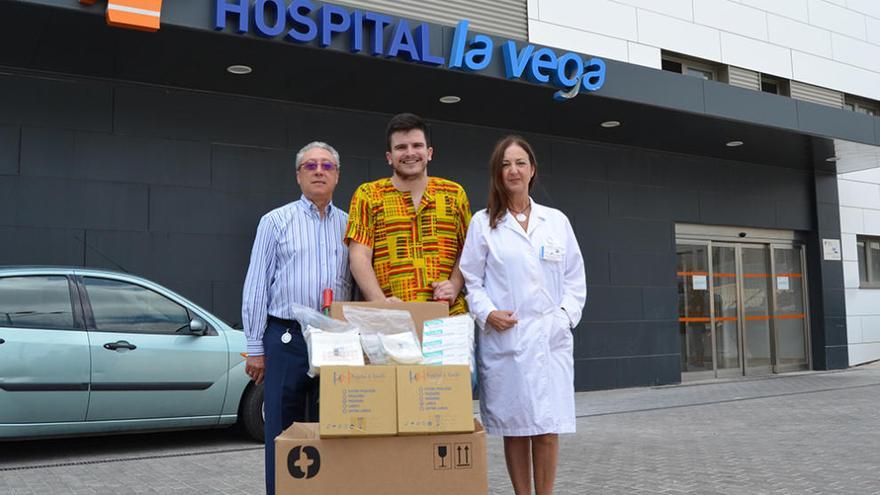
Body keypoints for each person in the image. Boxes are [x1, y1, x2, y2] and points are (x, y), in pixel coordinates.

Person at [459, 135, 586, 495]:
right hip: (508, 337)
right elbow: (472, 279)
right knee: (516, 429)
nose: (513, 170)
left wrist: (564, 317)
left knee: (546, 428)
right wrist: (488, 313)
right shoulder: (483, 224)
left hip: (550, 338)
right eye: (505, 164)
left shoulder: (556, 221)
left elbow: (575, 279)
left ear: (532, 170)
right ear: (497, 174)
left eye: (520, 163)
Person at [241, 141, 353, 495]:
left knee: (334, 427)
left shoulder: (350, 225)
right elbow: (257, 284)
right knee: (281, 429)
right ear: (298, 176)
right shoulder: (275, 222)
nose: (318, 171)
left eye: (326, 166)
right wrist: (255, 347)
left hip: (335, 339)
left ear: (337, 175)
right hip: (286, 337)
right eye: (310, 166)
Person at [345, 113, 471, 314]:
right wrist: (380, 303)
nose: (410, 153)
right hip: (392, 317)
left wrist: (455, 285)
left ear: (429, 152)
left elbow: (469, 249)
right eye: (401, 147)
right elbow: (359, 255)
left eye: (417, 145)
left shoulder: (454, 194)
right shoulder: (368, 195)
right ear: (389, 157)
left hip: (448, 316)